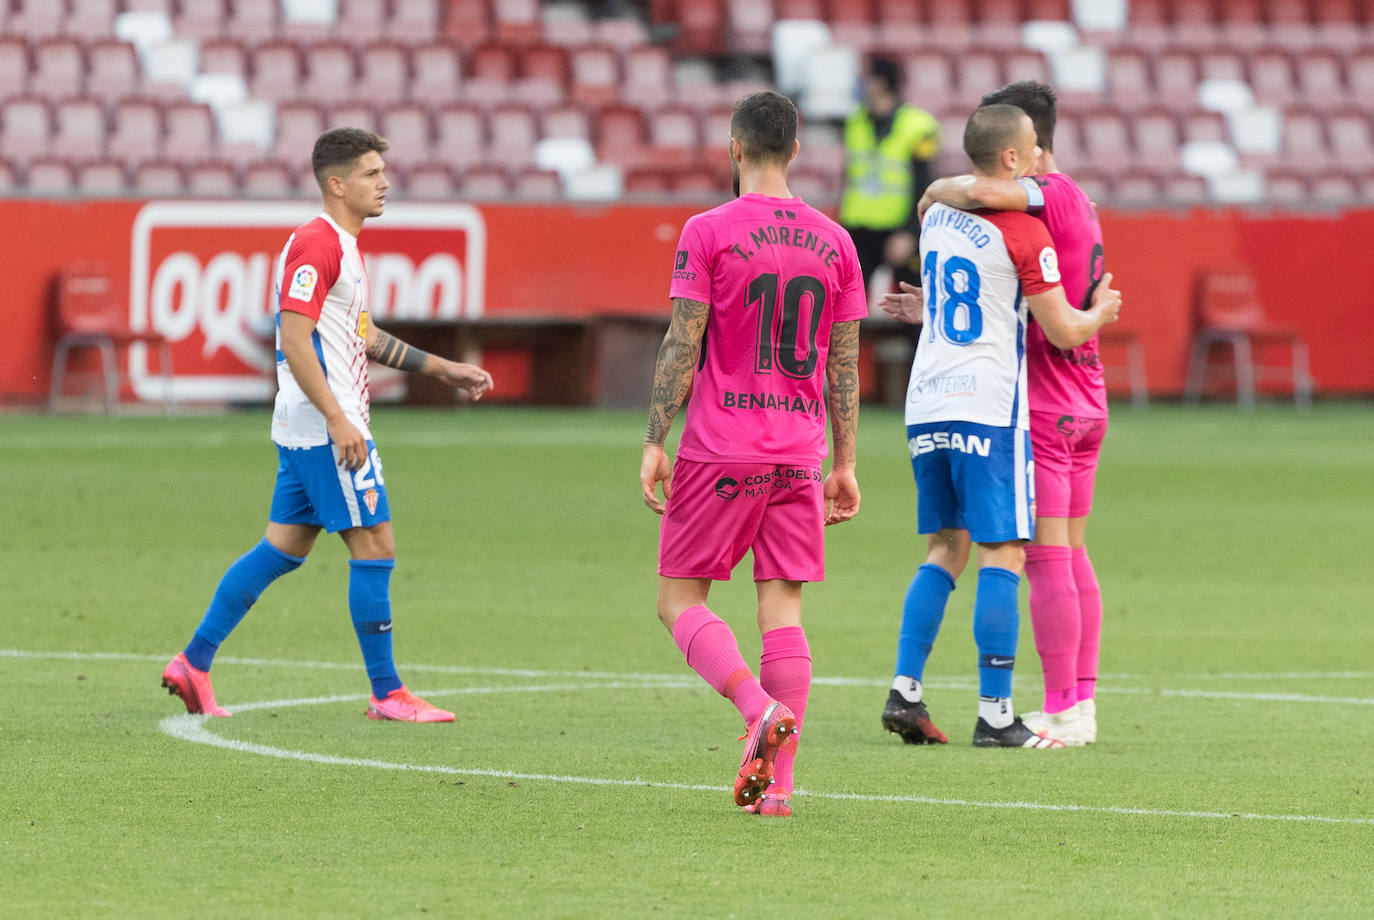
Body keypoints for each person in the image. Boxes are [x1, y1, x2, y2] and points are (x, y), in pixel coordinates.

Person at [160, 128, 494, 723]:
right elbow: (292, 338)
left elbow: (361, 336)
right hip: (326, 427)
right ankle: (387, 693)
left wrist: (442, 369)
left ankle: (194, 661)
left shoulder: (343, 244)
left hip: (312, 424)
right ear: (336, 184)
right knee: (375, 544)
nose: (384, 182)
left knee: (282, 548)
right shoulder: (318, 245)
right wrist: (340, 420)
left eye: (382, 171)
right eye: (370, 173)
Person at [640, 91, 865, 817]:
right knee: (783, 613)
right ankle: (781, 790)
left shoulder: (707, 230)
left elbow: (684, 341)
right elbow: (843, 363)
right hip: (799, 451)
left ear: (733, 148)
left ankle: (754, 708)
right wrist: (845, 462)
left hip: (721, 447)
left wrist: (654, 439)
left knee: (679, 599)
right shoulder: (836, 242)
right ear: (796, 151)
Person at [877, 104, 1121, 748]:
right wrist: (1102, 312)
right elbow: (1063, 328)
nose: (1042, 156)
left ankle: (906, 689)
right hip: (994, 403)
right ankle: (997, 712)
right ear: (1014, 156)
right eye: (1034, 146)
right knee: (1011, 551)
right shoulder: (1027, 231)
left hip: (926, 402)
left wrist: (927, 305)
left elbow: (966, 294)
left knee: (943, 547)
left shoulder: (936, 221)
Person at [839, 57, 940, 302]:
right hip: (859, 228)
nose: (861, 84)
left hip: (899, 228)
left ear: (883, 83)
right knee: (845, 307)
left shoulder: (919, 125)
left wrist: (910, 233)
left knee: (914, 306)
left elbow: (924, 184)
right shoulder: (855, 121)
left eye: (867, 78)